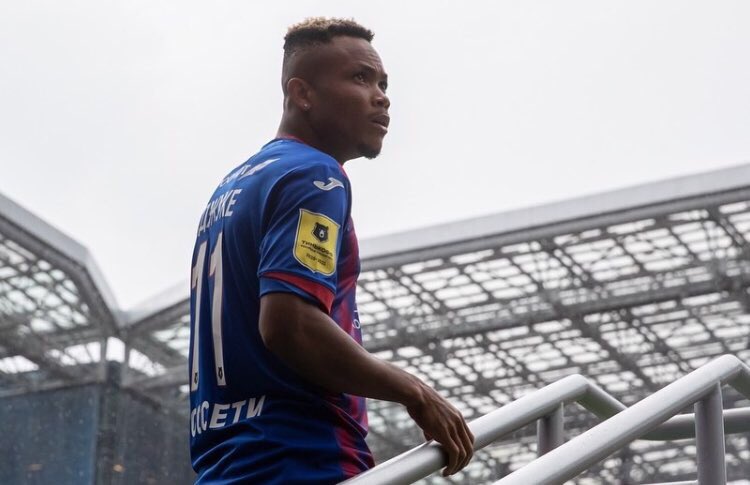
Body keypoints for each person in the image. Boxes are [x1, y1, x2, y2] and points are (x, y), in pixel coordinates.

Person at [188, 17, 474, 484]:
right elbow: (290, 324)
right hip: (304, 458)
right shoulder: (314, 176)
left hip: (227, 467)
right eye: (360, 78)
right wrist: (415, 392)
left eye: (383, 84)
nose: (381, 97)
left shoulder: (235, 186)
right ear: (302, 93)